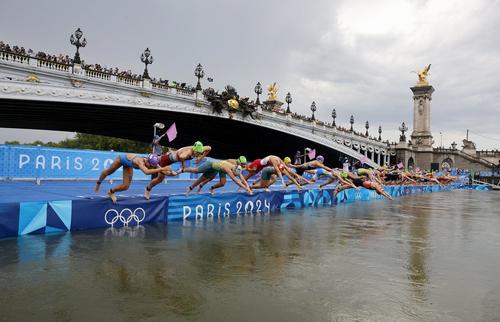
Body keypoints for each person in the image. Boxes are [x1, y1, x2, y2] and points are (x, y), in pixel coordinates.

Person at [95, 153, 177, 204]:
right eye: (152, 166)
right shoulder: (140, 161)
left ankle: (110, 192)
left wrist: (172, 173)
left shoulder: (153, 162)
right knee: (108, 172)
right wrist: (162, 168)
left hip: (128, 165)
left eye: (154, 166)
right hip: (120, 160)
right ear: (148, 162)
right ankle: (98, 183)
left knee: (125, 186)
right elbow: (146, 172)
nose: (153, 167)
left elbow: (163, 172)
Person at [183, 157, 252, 194]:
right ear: (239, 162)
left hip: (223, 168)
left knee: (222, 183)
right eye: (243, 164)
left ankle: (211, 188)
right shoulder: (232, 162)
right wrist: (246, 188)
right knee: (209, 177)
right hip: (221, 167)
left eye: (244, 164)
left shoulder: (238, 166)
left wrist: (247, 187)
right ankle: (199, 185)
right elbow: (235, 179)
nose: (243, 166)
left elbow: (241, 177)